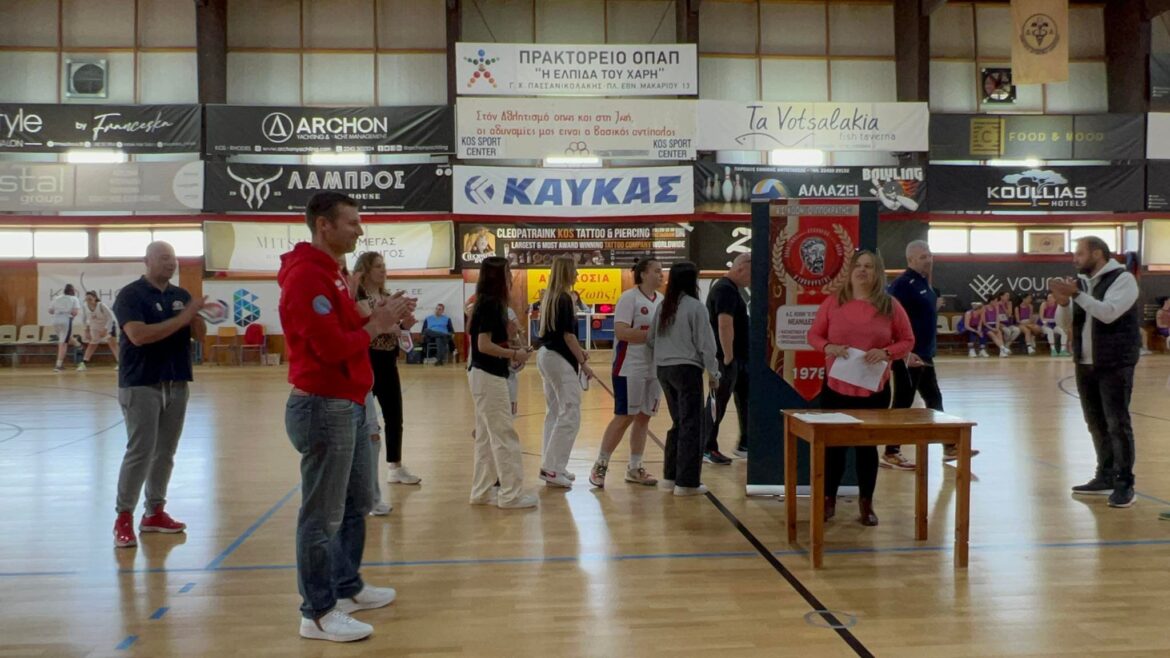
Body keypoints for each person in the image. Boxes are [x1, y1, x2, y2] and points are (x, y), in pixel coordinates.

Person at [279, 192, 414, 642]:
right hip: (323, 405)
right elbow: (330, 347)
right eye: (353, 222)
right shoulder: (306, 277)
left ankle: (346, 586)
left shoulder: (334, 274)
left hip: (349, 400)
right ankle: (317, 612)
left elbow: (347, 330)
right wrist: (376, 325)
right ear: (324, 225)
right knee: (321, 517)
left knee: (356, 502)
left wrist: (381, 316)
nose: (360, 230)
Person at [807, 250, 915, 526]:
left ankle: (866, 503)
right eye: (858, 266)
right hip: (835, 388)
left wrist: (887, 352)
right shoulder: (833, 302)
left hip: (873, 390)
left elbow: (907, 340)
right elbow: (814, 335)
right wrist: (828, 347)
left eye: (869, 266)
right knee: (833, 449)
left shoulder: (890, 305)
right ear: (850, 271)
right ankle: (828, 500)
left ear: (877, 273)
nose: (862, 270)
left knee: (867, 450)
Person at [111, 242, 206, 549]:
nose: (171, 263)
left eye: (174, 258)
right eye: (164, 258)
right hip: (141, 383)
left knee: (165, 452)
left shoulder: (181, 296)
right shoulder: (131, 295)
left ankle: (154, 512)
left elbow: (199, 336)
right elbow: (138, 336)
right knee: (140, 451)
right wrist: (182, 318)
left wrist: (196, 317)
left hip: (176, 382)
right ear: (147, 261)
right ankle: (123, 517)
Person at [1051, 236, 1142, 509]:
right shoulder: (1082, 284)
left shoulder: (1123, 279)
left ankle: (1124, 483)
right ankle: (1105, 476)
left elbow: (1108, 313)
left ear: (1098, 254)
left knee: (1117, 424)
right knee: (1096, 423)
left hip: (1115, 362)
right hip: (1085, 362)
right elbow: (1065, 324)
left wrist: (1077, 295)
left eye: (1079, 253)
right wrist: (1063, 304)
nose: (1074, 259)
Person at [885, 241, 980, 466]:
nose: (928, 260)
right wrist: (903, 352)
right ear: (910, 260)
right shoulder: (903, 284)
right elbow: (890, 317)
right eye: (922, 257)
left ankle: (949, 447)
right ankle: (890, 451)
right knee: (903, 401)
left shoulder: (923, 283)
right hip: (910, 355)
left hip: (925, 354)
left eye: (929, 255)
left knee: (933, 397)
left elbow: (920, 312)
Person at [467, 256, 538, 510]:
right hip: (488, 376)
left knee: (486, 439)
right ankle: (510, 495)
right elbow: (483, 345)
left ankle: (481, 491)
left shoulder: (488, 303)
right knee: (504, 435)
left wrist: (512, 346)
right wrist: (514, 354)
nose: (511, 277)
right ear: (499, 276)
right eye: (508, 272)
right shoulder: (490, 304)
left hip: (484, 374)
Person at [647, 261, 721, 496]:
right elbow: (706, 344)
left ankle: (670, 477)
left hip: (664, 369)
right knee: (692, 425)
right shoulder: (695, 307)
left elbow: (650, 339)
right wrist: (714, 373)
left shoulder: (663, 306)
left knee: (679, 422)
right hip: (687, 370)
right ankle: (687, 483)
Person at [590, 258, 664, 489]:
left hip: (654, 367)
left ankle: (635, 467)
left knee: (644, 416)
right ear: (643, 274)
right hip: (629, 366)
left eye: (661, 271)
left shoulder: (662, 301)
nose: (661, 275)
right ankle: (600, 465)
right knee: (624, 416)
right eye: (656, 271)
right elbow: (622, 332)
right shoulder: (628, 298)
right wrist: (652, 335)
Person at [352, 252, 421, 487]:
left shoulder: (387, 296)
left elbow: (394, 329)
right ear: (365, 269)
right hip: (367, 359)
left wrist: (404, 325)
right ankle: (360, 471)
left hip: (388, 359)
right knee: (363, 419)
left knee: (394, 415)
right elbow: (371, 324)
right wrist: (393, 325)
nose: (383, 270)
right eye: (377, 266)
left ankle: (395, 466)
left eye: (384, 266)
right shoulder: (359, 294)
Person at [536, 256, 594, 488]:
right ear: (567, 272)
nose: (577, 274)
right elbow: (568, 336)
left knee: (554, 412)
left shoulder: (550, 296)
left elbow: (559, 334)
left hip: (547, 355)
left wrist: (579, 352)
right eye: (575, 270)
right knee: (570, 412)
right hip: (558, 358)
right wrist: (583, 363)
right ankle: (552, 468)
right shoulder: (565, 298)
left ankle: (552, 465)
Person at [703, 253, 751, 465]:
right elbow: (724, 324)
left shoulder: (732, 290)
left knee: (745, 400)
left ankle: (745, 443)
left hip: (739, 359)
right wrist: (728, 356)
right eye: (751, 273)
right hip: (727, 359)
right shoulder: (724, 289)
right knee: (718, 403)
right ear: (741, 268)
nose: (752, 279)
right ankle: (706, 447)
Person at [79, 290, 119, 371]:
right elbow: (84, 319)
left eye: (90, 299)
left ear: (95, 298)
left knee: (112, 343)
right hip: (95, 326)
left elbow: (110, 318)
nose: (88, 301)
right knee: (93, 343)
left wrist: (105, 329)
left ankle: (120, 363)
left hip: (108, 325)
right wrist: (86, 330)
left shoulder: (101, 305)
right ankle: (84, 363)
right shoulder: (85, 306)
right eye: (87, 299)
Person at [48, 283, 81, 372]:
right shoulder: (74, 298)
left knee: (64, 339)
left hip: (55, 320)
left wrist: (59, 310)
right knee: (63, 343)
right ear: (72, 291)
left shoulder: (56, 298)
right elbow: (75, 312)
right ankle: (58, 365)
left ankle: (77, 344)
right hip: (66, 320)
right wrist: (69, 313)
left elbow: (50, 311)